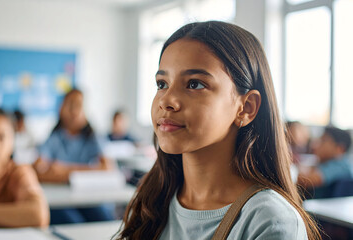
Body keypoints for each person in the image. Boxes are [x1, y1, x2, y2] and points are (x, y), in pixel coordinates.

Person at [117, 21, 321, 239]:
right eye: (162, 84)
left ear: (246, 108)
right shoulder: (152, 199)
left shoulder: (270, 221)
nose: (166, 100)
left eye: (194, 84)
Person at [33, 89, 114, 224]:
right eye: (70, 105)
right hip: (59, 199)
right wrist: (87, 172)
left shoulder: (92, 136)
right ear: (61, 109)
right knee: (73, 221)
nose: (74, 111)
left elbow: (107, 168)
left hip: (88, 197)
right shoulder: (55, 137)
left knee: (105, 219)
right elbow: (38, 169)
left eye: (79, 106)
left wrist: (64, 171)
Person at [297, 126, 352, 199]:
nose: (315, 145)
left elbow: (308, 181)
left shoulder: (340, 165)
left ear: (339, 149)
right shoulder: (326, 162)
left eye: (323, 141)